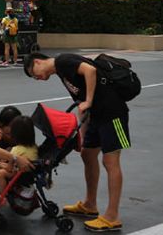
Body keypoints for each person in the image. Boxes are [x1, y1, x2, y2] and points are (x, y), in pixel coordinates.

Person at [24, 53, 129, 232]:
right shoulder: (62, 73)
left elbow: (90, 70)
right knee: (88, 155)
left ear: (37, 62)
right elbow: (80, 102)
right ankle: (90, 204)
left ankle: (112, 216)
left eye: (34, 74)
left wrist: (89, 101)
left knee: (110, 161)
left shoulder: (63, 61)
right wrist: (83, 131)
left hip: (113, 113)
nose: (38, 78)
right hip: (96, 116)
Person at [0, 116, 38, 194]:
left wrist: (1, 164)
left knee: (0, 172)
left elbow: (9, 168)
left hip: (19, 174)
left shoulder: (16, 149)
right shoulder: (34, 146)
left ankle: (1, 193)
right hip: (30, 174)